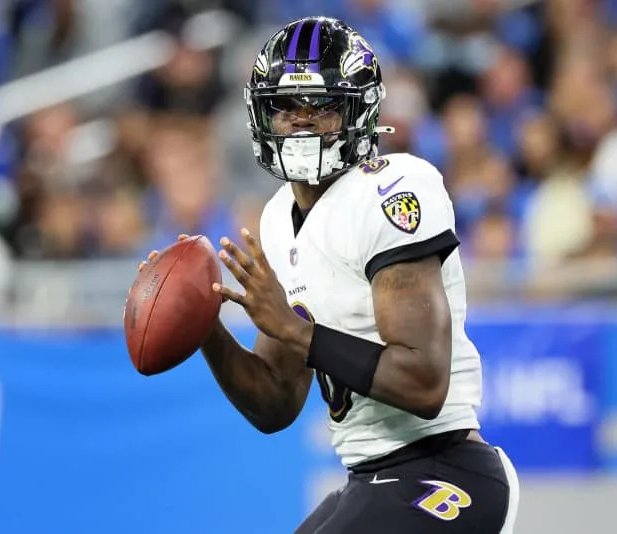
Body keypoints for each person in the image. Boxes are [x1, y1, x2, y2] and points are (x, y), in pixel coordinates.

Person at [140, 16, 518, 533]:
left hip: (444, 468)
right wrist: (203, 323)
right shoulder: (275, 219)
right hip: (368, 478)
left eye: (320, 105)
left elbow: (425, 383)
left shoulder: (393, 189)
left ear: (357, 110)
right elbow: (275, 401)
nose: (300, 119)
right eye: (284, 105)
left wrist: (295, 329)